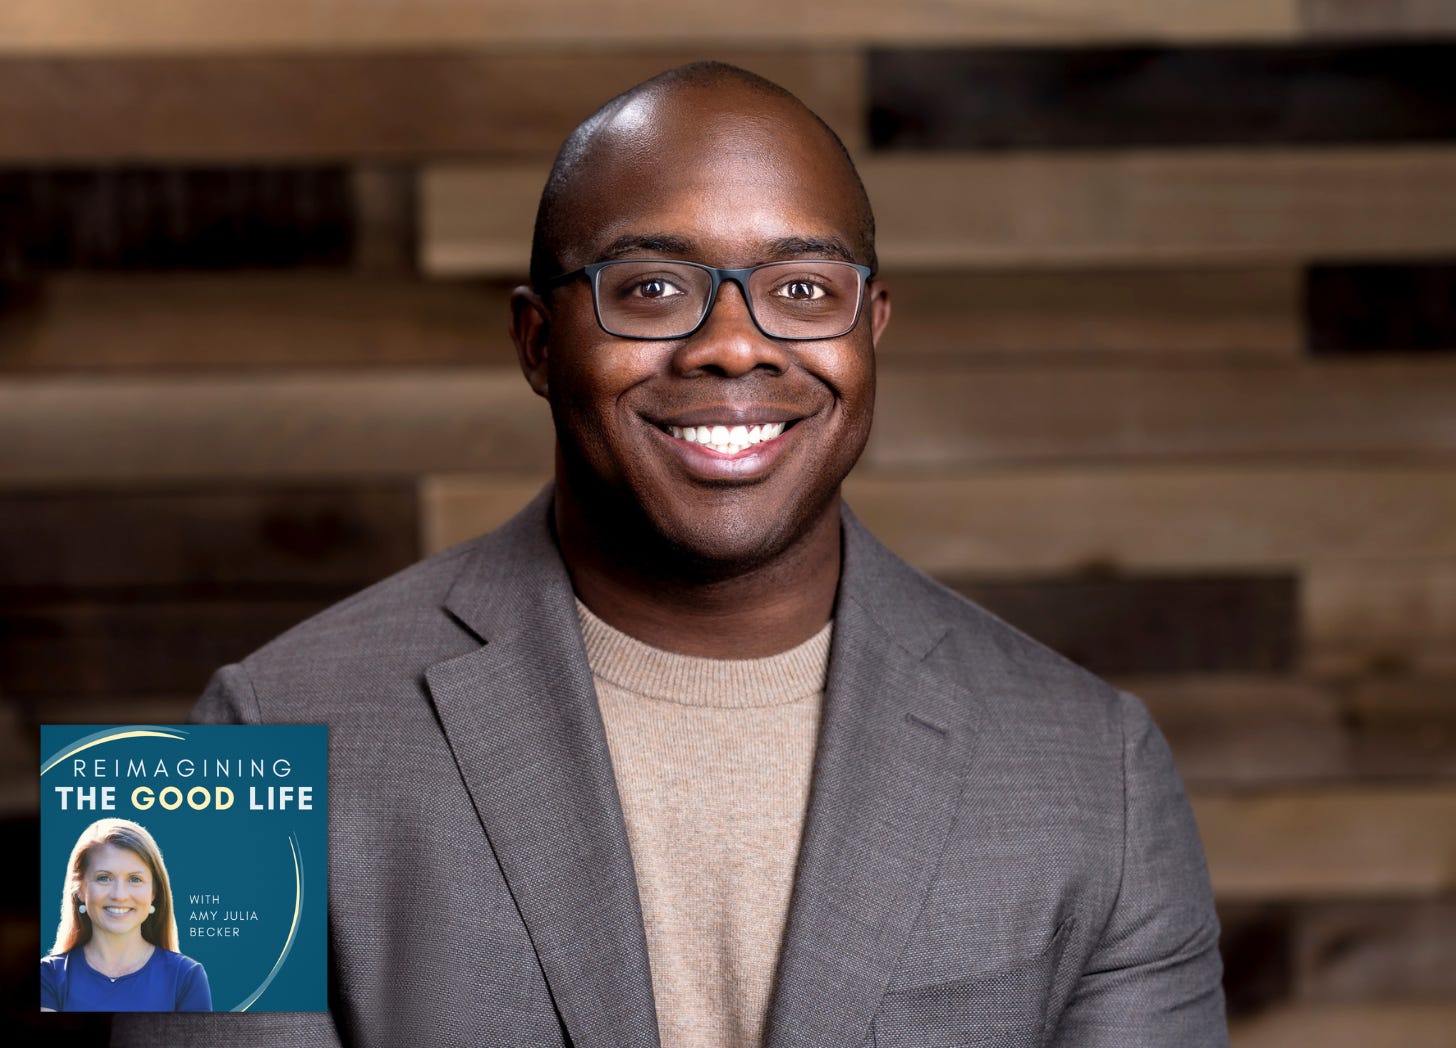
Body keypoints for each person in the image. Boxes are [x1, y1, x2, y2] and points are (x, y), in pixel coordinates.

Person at [116, 62, 1226, 1046]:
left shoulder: (1101, 769)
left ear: (871, 327)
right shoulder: (228, 751)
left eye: (802, 290)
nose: (734, 342)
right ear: (538, 342)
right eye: (650, 287)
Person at [41, 817, 211, 1012]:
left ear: (154, 892)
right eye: (104, 878)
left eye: (135, 879)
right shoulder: (48, 976)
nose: (119, 895)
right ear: (79, 889)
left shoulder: (187, 978)